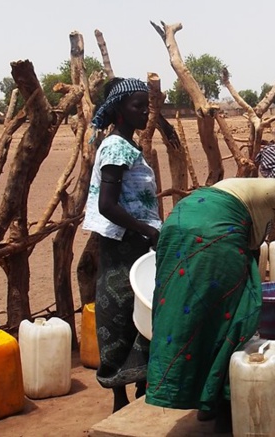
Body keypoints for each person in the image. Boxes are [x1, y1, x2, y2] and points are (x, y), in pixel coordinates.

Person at [145, 144, 275, 434]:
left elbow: (249, 249)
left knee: (193, 313)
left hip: (179, 222)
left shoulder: (248, 187)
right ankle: (222, 410)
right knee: (235, 320)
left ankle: (203, 403)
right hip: (214, 234)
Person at [82, 77, 161, 413]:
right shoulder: (115, 147)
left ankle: (141, 386)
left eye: (146, 105)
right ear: (118, 109)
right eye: (137, 106)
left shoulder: (128, 146)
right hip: (124, 242)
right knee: (119, 311)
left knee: (142, 307)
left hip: (137, 240)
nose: (145, 112)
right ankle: (119, 394)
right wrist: (148, 231)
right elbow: (108, 205)